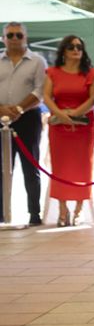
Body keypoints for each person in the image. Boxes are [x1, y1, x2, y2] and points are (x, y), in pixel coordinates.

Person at [43, 36, 94, 226]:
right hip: (59, 126)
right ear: (63, 51)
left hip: (83, 125)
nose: (76, 50)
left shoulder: (91, 73)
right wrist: (60, 114)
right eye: (71, 47)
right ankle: (62, 210)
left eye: (79, 47)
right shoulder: (52, 72)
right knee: (60, 167)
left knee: (82, 166)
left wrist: (75, 114)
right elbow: (46, 95)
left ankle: (78, 209)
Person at [0, 21, 46, 225]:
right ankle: (1, 214)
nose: (15, 39)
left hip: (28, 118)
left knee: (31, 166)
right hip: (0, 117)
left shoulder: (37, 61)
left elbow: (40, 90)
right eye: (10, 35)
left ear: (25, 37)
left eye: (19, 35)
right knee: (1, 167)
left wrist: (19, 108)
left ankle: (34, 214)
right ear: (4, 38)